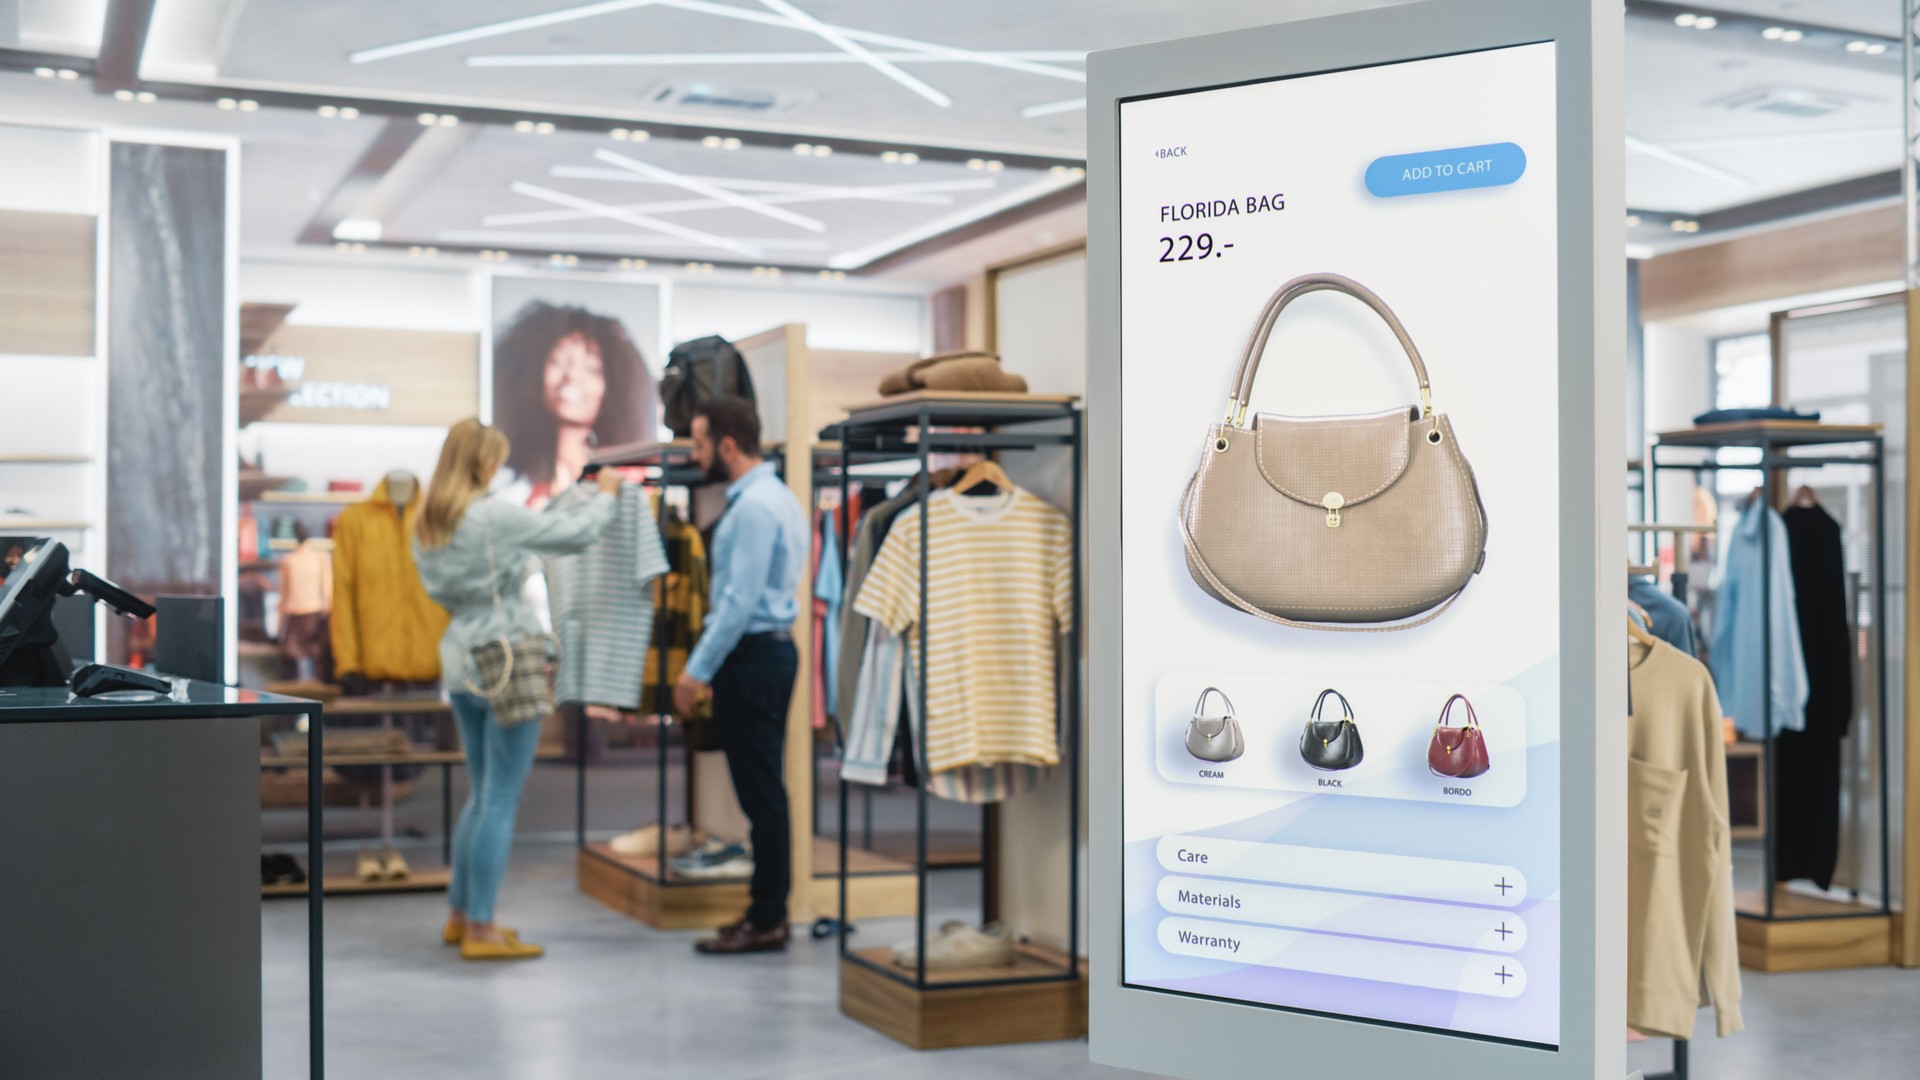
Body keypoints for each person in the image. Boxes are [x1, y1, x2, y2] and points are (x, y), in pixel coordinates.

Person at [414, 417, 622, 960]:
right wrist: (606, 495)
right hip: (506, 654)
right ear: (482, 461)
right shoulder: (491, 516)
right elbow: (576, 537)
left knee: (482, 793)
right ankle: (482, 926)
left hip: (460, 655)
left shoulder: (430, 523)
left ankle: (462, 915)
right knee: (501, 797)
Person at [674, 396, 808, 955]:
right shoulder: (777, 498)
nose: (696, 453)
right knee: (763, 791)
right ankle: (764, 911)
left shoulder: (753, 509)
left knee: (761, 794)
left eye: (701, 443)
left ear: (728, 445)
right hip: (765, 653)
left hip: (751, 656)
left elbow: (736, 602)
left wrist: (695, 671)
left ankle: (769, 917)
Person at [492, 300, 657, 508]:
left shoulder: (627, 478)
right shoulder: (513, 483)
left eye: (590, 368)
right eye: (558, 361)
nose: (571, 376)